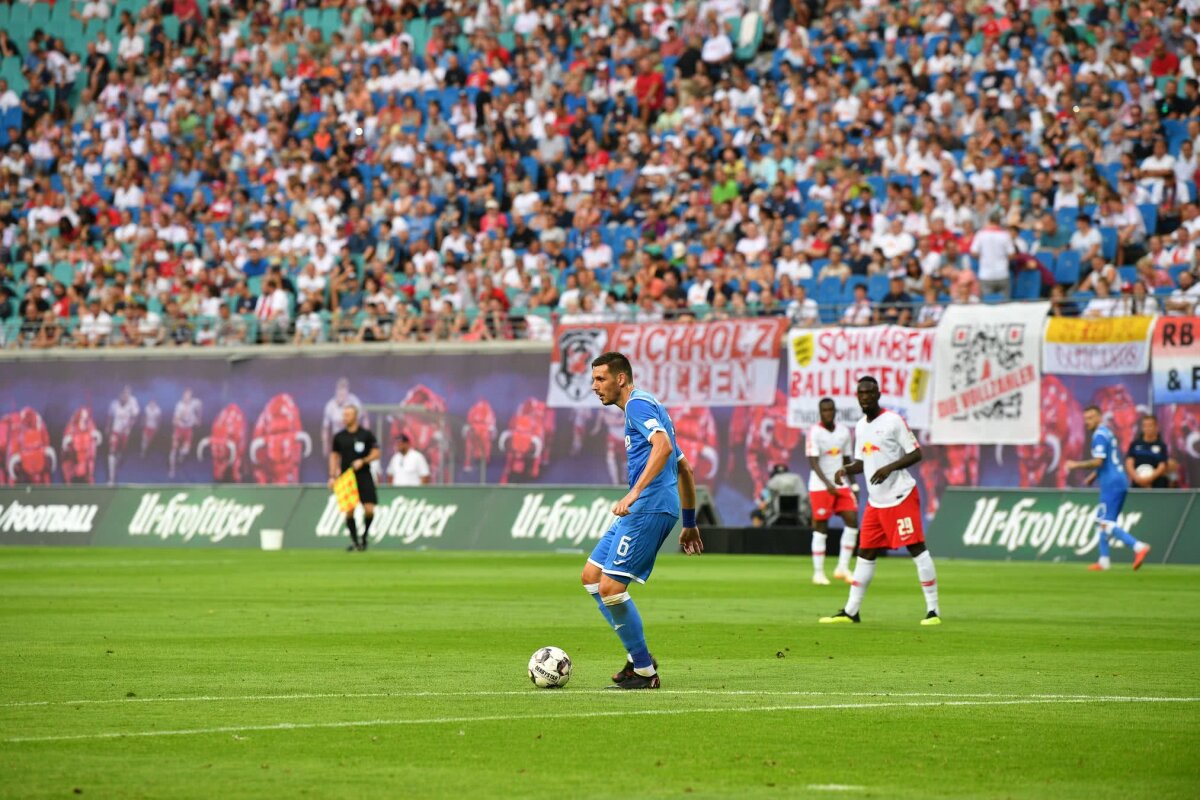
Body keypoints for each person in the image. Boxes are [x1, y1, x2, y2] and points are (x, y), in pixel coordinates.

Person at [583, 351, 704, 690]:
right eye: (593, 380)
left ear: (621, 378)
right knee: (592, 576)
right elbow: (685, 468)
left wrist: (634, 493)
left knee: (611, 588)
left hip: (648, 507)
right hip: (653, 506)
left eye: (601, 379)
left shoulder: (637, 405)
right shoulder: (650, 407)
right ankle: (638, 657)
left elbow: (663, 448)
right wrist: (689, 522)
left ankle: (644, 672)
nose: (595, 386)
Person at [819, 376, 940, 625]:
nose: (865, 397)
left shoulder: (893, 421)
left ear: (878, 395)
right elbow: (862, 462)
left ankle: (933, 610)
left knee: (916, 548)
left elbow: (916, 453)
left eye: (869, 393)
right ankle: (851, 611)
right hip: (876, 502)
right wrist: (846, 469)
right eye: (861, 394)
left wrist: (889, 467)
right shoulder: (860, 426)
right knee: (865, 552)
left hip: (901, 496)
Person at [1066, 406, 1153, 571]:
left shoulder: (1099, 435)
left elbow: (1098, 461)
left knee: (1106, 523)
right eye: (1086, 419)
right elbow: (1108, 460)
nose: (1088, 422)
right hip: (1117, 481)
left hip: (1112, 483)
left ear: (1099, 417)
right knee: (1102, 521)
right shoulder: (1107, 432)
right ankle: (1104, 561)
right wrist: (1094, 476)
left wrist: (1075, 464)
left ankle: (1138, 546)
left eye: (1091, 417)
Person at [806, 398, 859, 585]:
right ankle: (818, 572)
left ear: (835, 411)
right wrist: (827, 484)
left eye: (831, 410)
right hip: (820, 486)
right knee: (821, 527)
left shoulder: (844, 431)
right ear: (820, 412)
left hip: (840, 484)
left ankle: (842, 567)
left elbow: (847, 460)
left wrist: (854, 485)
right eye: (825, 410)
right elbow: (813, 462)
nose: (828, 413)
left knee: (852, 521)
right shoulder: (814, 432)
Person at [328, 406, 381, 552]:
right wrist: (332, 476)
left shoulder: (366, 435)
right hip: (347, 476)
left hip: (364, 475)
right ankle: (355, 541)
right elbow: (334, 456)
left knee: (369, 509)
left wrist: (363, 461)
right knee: (349, 510)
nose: (345, 417)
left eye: (348, 415)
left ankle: (364, 537)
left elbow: (376, 453)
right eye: (344, 415)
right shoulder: (339, 437)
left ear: (355, 416)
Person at [1126, 414, 1170, 489]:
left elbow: (1162, 466)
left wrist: (1149, 479)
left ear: (1156, 427)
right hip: (1138, 482)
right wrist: (1137, 478)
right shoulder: (1135, 444)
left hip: (1156, 484)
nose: (1148, 428)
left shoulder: (1161, 446)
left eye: (1150, 425)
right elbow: (1129, 463)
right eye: (1145, 426)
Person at [106, 385, 140, 485]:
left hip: (125, 432)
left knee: (121, 451)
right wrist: (108, 427)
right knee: (112, 451)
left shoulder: (133, 402)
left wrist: (129, 426)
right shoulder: (114, 404)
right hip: (115, 430)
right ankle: (111, 479)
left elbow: (135, 417)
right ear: (120, 394)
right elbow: (110, 416)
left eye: (127, 394)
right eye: (123, 394)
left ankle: (118, 461)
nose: (125, 396)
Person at [169, 388, 202, 479]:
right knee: (174, 449)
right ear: (183, 396)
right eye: (185, 396)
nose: (187, 398)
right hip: (179, 429)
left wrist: (198, 418)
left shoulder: (195, 402)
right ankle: (172, 470)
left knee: (185, 451)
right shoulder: (179, 406)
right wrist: (179, 418)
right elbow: (175, 419)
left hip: (188, 430)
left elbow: (200, 407)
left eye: (189, 396)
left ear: (191, 397)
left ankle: (181, 455)